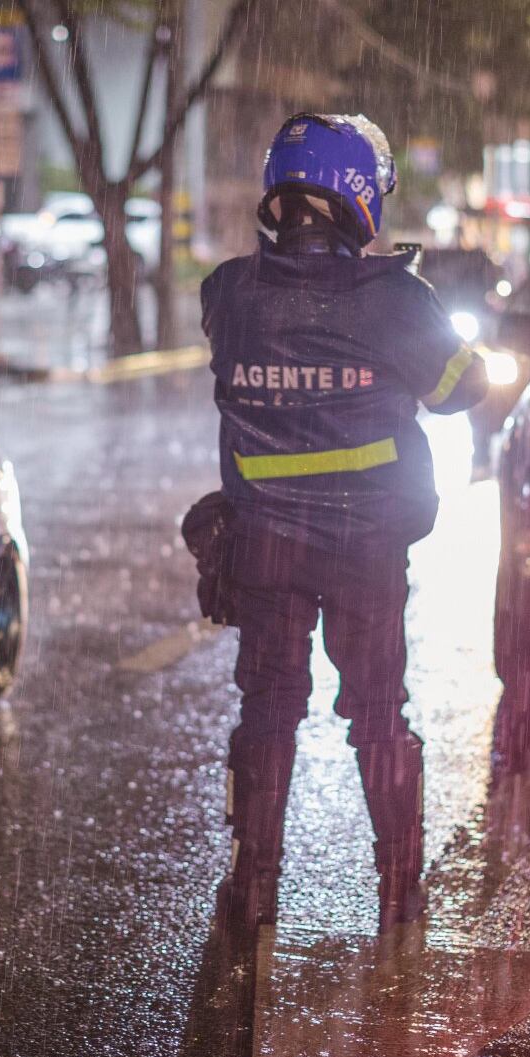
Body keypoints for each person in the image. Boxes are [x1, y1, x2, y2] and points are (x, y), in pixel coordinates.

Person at [201, 113, 487, 928]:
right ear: (361, 195)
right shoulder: (397, 302)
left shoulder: (228, 293)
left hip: (264, 543)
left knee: (267, 712)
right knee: (377, 713)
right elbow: (461, 389)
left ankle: (252, 886)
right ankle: (400, 889)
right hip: (365, 549)